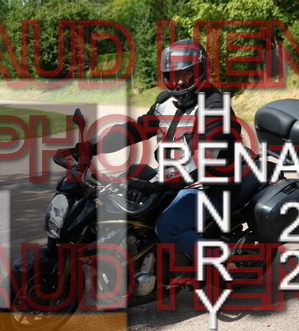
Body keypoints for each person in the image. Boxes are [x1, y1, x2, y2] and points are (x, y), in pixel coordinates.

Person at [71, 39, 247, 262]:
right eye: (174, 74)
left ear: (201, 71)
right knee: (122, 183)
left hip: (212, 187)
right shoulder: (166, 101)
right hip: (174, 177)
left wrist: (157, 186)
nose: (180, 81)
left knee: (167, 227)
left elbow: (201, 165)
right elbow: (137, 130)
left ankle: (219, 261)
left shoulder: (214, 108)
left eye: (187, 73)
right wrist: (91, 147)